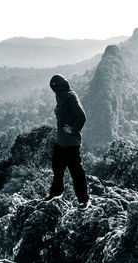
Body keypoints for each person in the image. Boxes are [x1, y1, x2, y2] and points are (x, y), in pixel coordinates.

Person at [42, 74, 90, 211]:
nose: (55, 90)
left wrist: (73, 130)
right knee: (57, 168)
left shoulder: (70, 96)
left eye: (56, 87)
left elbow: (82, 116)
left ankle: (84, 200)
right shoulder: (61, 96)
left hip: (71, 142)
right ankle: (56, 192)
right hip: (60, 140)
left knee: (76, 171)